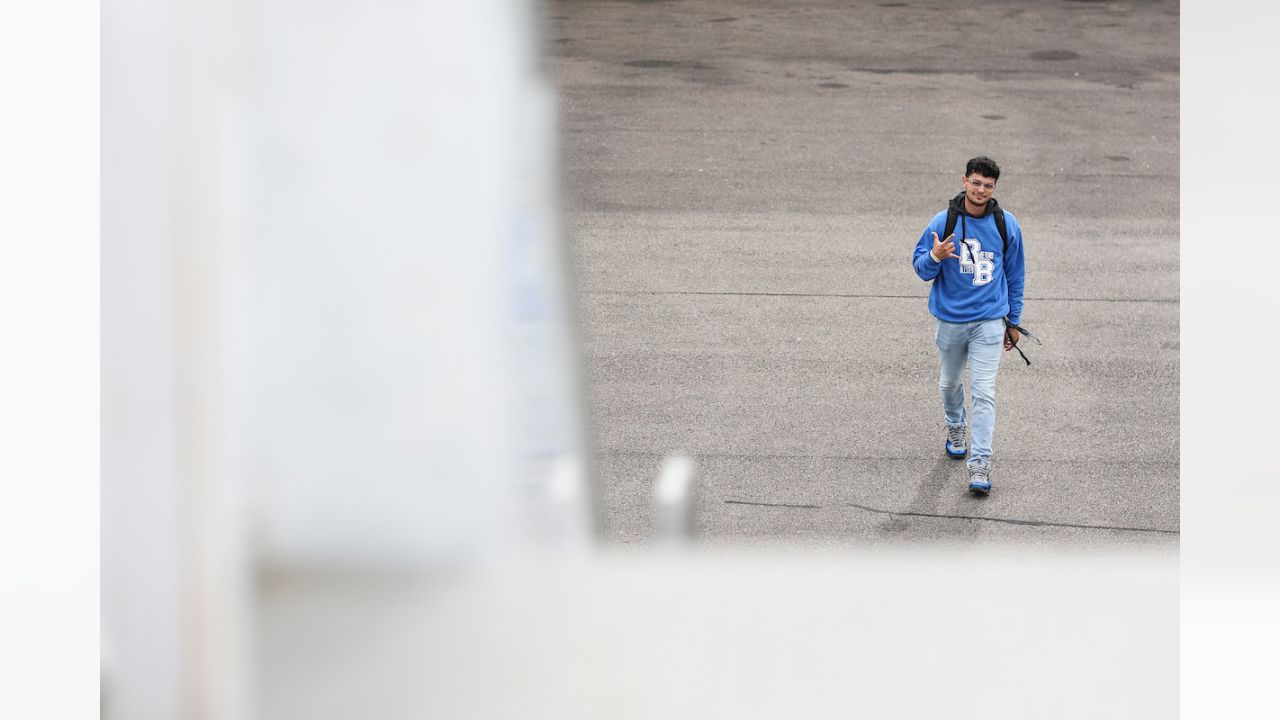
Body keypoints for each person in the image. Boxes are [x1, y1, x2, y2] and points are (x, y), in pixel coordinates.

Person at [911, 156, 1026, 495]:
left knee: (985, 393)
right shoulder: (943, 221)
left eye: (987, 186)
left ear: (994, 189)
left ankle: (980, 465)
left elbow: (1015, 275)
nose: (980, 190)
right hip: (951, 321)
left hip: (990, 322)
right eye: (976, 183)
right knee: (949, 384)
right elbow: (920, 269)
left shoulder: (1007, 224)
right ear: (965, 181)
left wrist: (1014, 320)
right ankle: (955, 426)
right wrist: (935, 257)